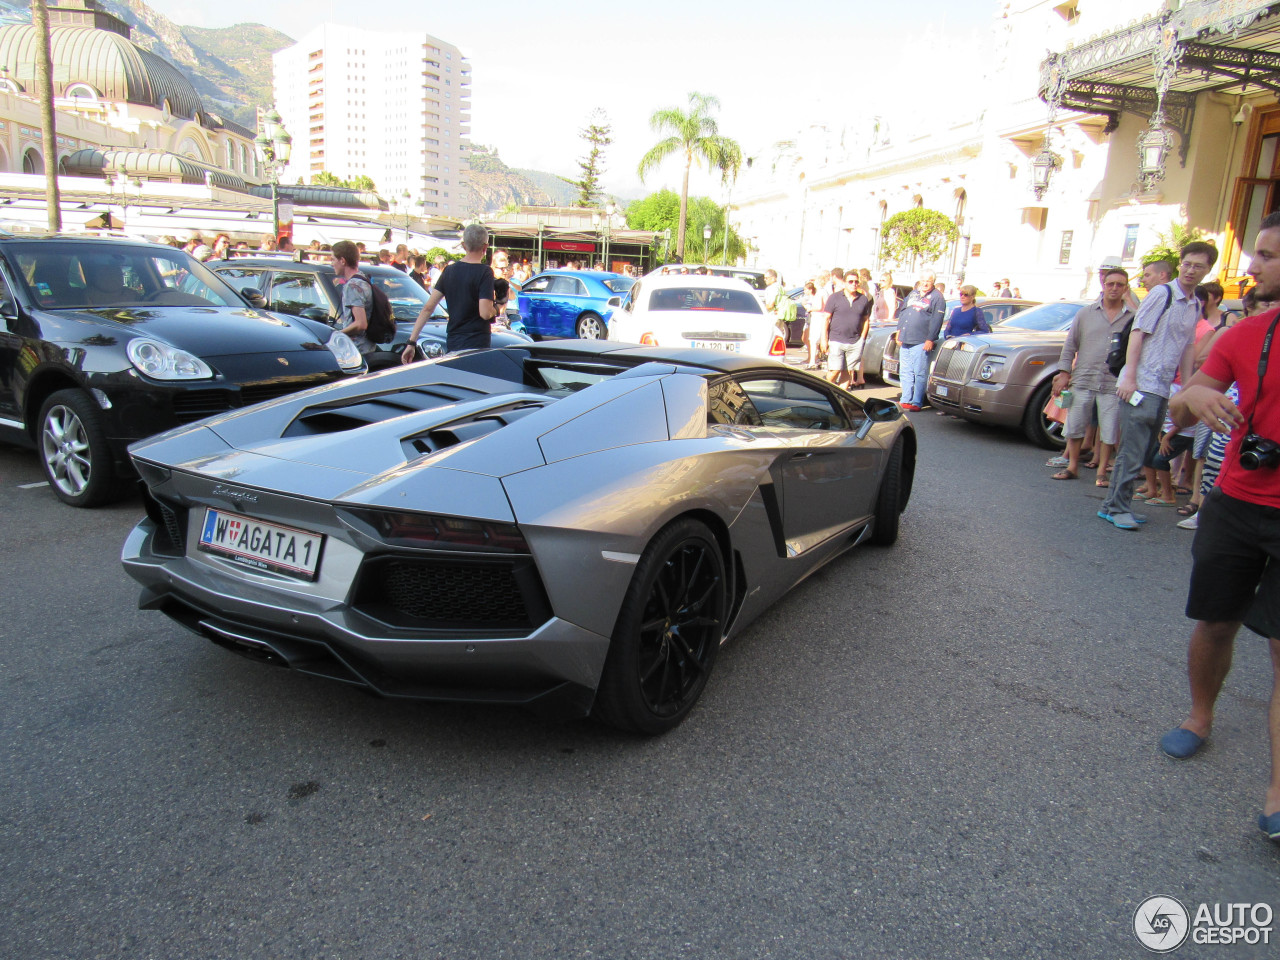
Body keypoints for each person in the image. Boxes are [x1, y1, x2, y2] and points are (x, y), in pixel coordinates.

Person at [1159, 210, 1280, 845]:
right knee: (1215, 623)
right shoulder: (1245, 334)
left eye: (1265, 256)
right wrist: (1196, 398)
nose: (1251, 266)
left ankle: (1278, 790)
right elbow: (1186, 398)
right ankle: (1200, 715)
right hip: (1233, 502)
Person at [1098, 245, 1216, 530]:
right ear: (1179, 266)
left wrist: (1187, 386)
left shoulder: (1193, 304)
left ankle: (1113, 504)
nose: (1190, 270)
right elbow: (1138, 332)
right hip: (1141, 384)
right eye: (1187, 264)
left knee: (1144, 448)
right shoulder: (1162, 294)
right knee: (1134, 449)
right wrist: (1129, 378)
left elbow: (1188, 346)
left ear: (1207, 270)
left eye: (1197, 266)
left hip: (1163, 387)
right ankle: (1118, 507)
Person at [1049, 269, 1134, 483]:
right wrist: (1063, 372)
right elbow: (1070, 345)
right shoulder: (1086, 313)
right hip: (1084, 378)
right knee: (1075, 426)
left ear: (1126, 288)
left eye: (1119, 284)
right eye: (1110, 283)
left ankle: (1101, 471)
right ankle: (1072, 466)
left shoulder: (1132, 317)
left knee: (1109, 430)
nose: (1114, 288)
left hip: (1113, 383)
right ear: (1103, 286)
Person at [402, 222, 496, 360]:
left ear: (464, 245)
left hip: (454, 342)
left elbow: (428, 308)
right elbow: (485, 313)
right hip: (477, 344)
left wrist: (411, 342)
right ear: (485, 247)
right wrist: (496, 309)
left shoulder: (449, 271)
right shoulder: (485, 272)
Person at [893, 273, 946, 411]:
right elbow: (903, 312)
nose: (925, 283)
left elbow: (937, 320)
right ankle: (906, 399)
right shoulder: (913, 293)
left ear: (933, 282)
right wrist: (899, 331)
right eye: (923, 280)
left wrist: (930, 339)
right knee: (905, 371)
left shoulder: (937, 297)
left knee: (920, 372)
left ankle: (917, 402)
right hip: (906, 338)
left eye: (928, 281)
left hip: (921, 340)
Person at [822, 272, 871, 388]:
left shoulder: (863, 299)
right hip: (836, 340)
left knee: (848, 372)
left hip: (854, 341)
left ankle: (840, 398)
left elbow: (866, 320)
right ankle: (824, 391)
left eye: (856, 281)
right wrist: (824, 339)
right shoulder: (834, 297)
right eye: (850, 281)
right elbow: (826, 319)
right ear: (844, 283)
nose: (854, 284)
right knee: (835, 370)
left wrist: (862, 339)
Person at [329, 240, 376, 357]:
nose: (331, 263)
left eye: (333, 259)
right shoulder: (363, 279)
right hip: (368, 348)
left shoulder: (353, 286)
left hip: (357, 351)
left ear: (343, 261)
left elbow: (361, 324)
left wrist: (337, 335)